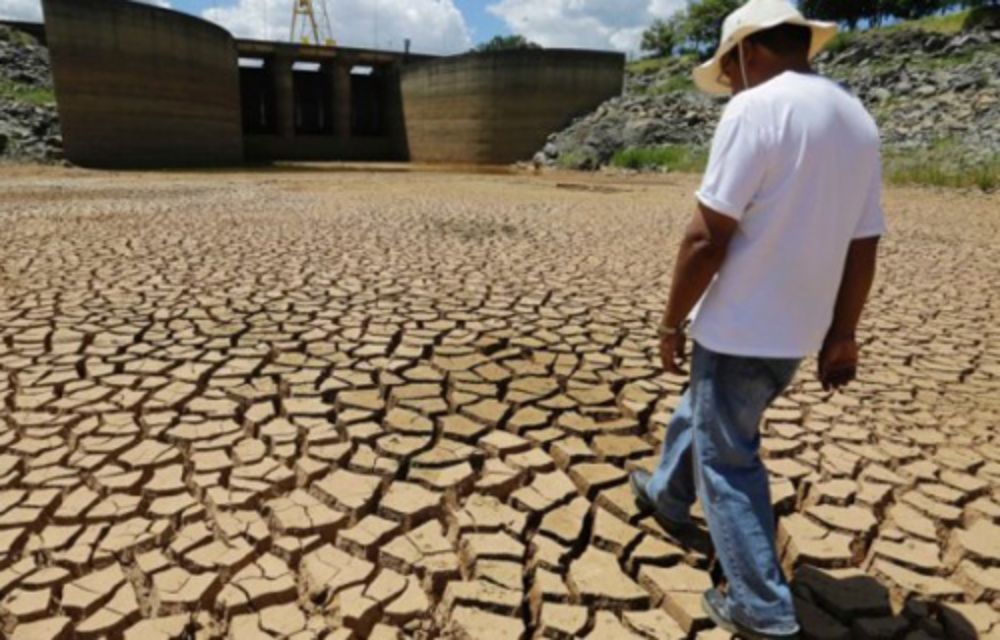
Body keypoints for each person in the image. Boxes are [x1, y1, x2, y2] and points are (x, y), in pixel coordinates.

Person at [628, 0, 885, 638]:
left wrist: (669, 324)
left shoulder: (756, 108)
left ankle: (761, 607)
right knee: (708, 410)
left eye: (731, 70)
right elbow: (864, 243)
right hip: (796, 333)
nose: (731, 85)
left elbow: (705, 239)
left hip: (740, 328)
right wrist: (842, 333)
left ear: (748, 51)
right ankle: (665, 492)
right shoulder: (855, 118)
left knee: (729, 458)